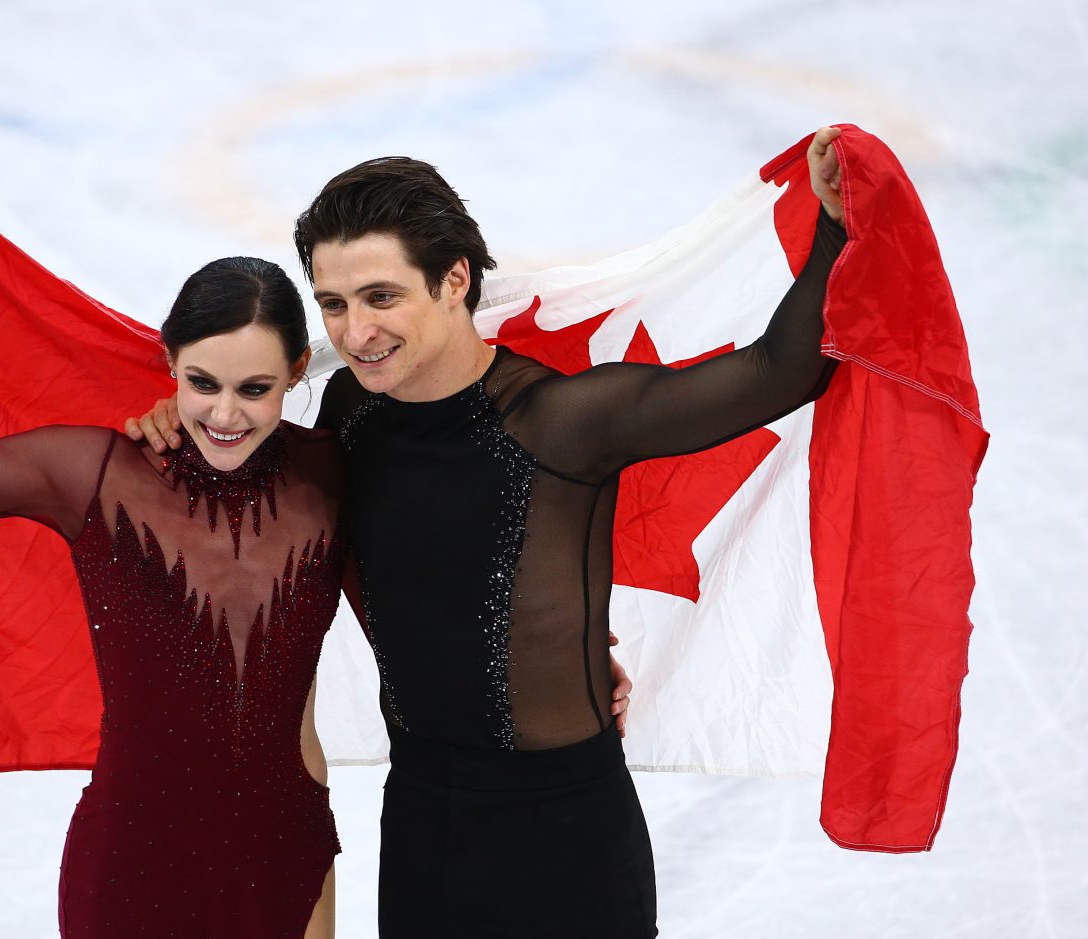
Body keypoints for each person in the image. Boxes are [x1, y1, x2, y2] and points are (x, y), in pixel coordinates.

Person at [129, 126, 850, 936]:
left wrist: (832, 226)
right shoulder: (350, 415)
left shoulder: (563, 419)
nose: (355, 330)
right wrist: (175, 426)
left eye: (380, 296)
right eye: (333, 303)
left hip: (568, 835)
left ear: (454, 280)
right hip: (421, 826)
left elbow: (778, 371)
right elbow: (259, 491)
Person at [0, 163, 346, 938]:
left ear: (299, 371)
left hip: (287, 854)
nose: (226, 413)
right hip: (133, 858)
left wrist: (573, 657)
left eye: (255, 389)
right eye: (202, 382)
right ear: (169, 362)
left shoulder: (334, 473)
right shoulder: (91, 473)